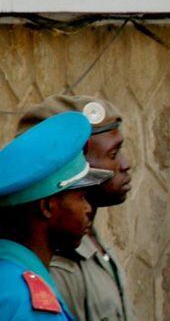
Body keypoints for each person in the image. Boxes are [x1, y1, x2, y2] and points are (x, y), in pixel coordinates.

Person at [16, 95, 136, 321]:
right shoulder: (56, 266)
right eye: (113, 154)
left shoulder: (89, 241)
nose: (125, 164)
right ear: (74, 163)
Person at [0, 112, 114, 320]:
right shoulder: (30, 304)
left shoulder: (9, 279)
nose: (88, 208)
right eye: (81, 197)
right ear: (47, 206)